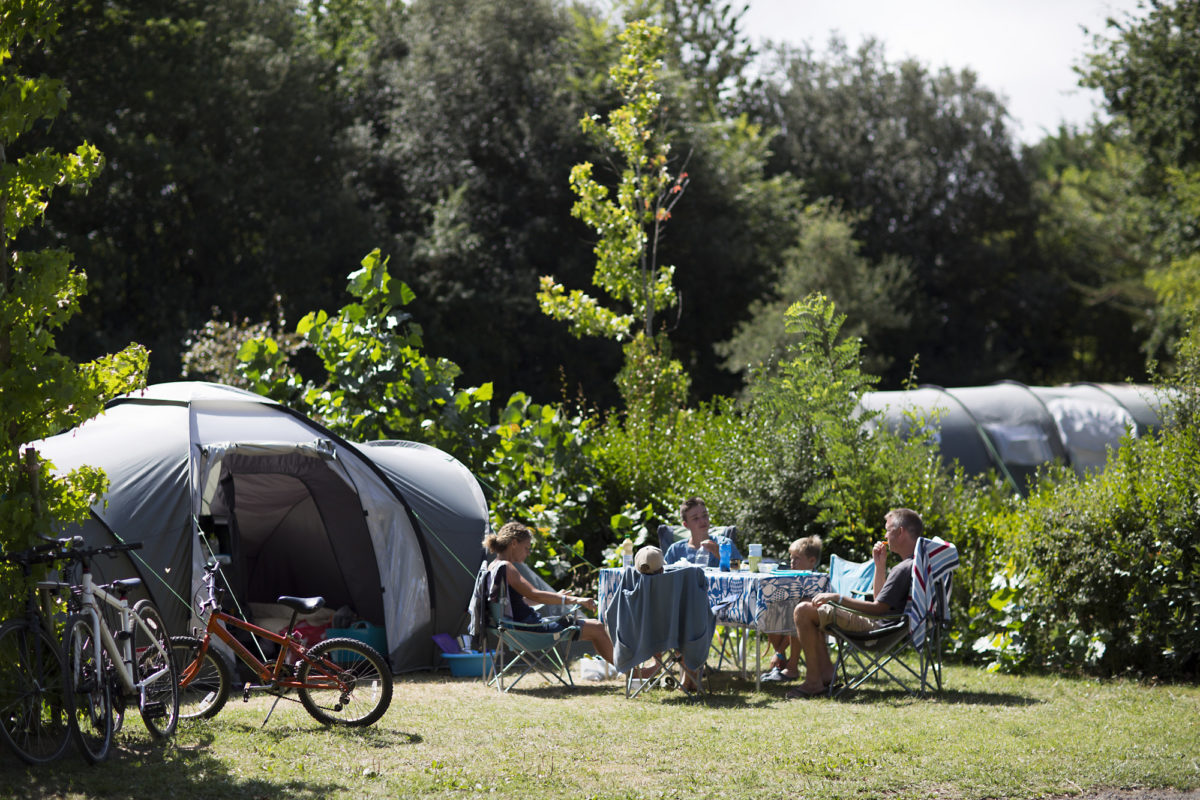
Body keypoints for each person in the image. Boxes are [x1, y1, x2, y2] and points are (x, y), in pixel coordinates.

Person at [786, 508, 922, 698]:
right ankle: (825, 673)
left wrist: (837, 598)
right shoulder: (914, 562)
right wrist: (880, 565)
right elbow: (880, 600)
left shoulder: (903, 568)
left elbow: (877, 609)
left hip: (877, 627)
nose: (885, 535)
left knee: (803, 610)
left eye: (888, 530)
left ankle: (813, 682)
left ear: (900, 532)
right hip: (888, 622)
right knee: (809, 605)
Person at [484, 521, 617, 667]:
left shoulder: (493, 566)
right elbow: (535, 594)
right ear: (514, 543)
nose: (528, 553)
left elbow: (521, 602)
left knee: (594, 627)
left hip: (516, 630)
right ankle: (632, 673)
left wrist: (556, 597)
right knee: (597, 627)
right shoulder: (506, 567)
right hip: (532, 630)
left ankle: (624, 669)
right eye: (526, 548)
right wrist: (576, 600)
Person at [760, 535, 823, 683]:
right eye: (791, 557)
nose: (791, 562)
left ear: (812, 561)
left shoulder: (816, 581)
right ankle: (783, 663)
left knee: (799, 614)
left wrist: (779, 651)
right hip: (796, 620)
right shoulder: (793, 578)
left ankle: (791, 667)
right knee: (771, 608)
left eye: (797, 558)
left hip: (813, 621)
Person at [663, 497, 743, 567]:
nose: (702, 521)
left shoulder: (724, 544)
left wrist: (719, 553)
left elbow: (741, 571)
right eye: (695, 518)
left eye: (705, 515)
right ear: (686, 525)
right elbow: (664, 576)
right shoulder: (675, 551)